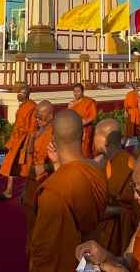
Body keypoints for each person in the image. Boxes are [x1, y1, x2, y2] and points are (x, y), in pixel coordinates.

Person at [29, 109, 108, 272]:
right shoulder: (96, 169)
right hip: (92, 258)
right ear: (84, 136)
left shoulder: (52, 191)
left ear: (53, 139)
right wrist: (58, 165)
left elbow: (44, 250)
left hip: (69, 263)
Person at [93, 118, 139, 256]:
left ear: (104, 140)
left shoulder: (129, 164)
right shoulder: (102, 162)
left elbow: (134, 207)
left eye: (95, 135)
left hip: (119, 236)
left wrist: (114, 210)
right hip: (101, 232)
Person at [22, 100, 55, 242]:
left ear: (51, 115)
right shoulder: (37, 132)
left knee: (44, 229)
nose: (37, 119)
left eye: (40, 117)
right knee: (31, 227)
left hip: (47, 185)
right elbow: (31, 160)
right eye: (36, 116)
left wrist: (46, 167)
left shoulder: (55, 133)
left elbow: (66, 162)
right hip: (32, 183)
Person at [0, 85, 36, 200]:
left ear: (27, 94)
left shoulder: (32, 106)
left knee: (27, 167)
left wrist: (30, 144)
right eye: (18, 93)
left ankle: (28, 192)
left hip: (26, 140)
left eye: (22, 93)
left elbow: (33, 128)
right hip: (17, 139)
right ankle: (8, 190)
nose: (19, 95)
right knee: (11, 164)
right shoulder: (22, 106)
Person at [68, 83, 98, 158]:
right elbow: (68, 116)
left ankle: (86, 163)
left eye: (78, 91)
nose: (76, 93)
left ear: (82, 92)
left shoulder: (89, 102)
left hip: (86, 128)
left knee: (85, 149)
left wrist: (82, 122)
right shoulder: (71, 103)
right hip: (74, 129)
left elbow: (92, 116)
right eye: (74, 91)